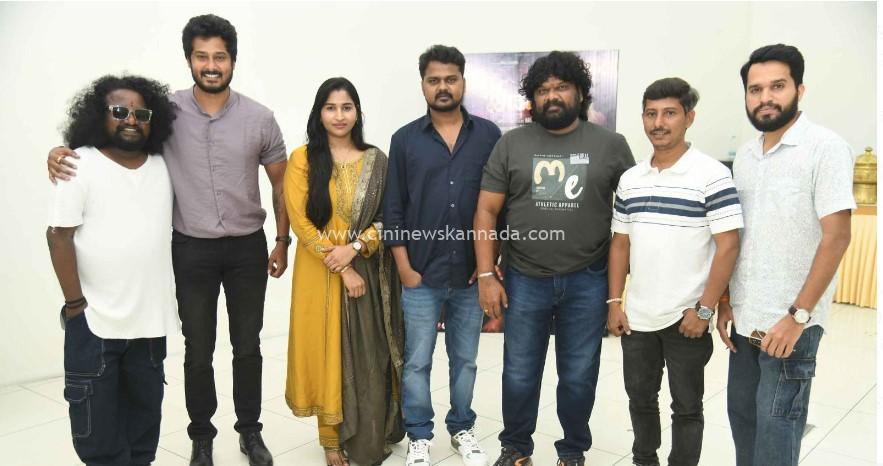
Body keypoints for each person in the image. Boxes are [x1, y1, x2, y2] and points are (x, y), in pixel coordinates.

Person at [47, 14, 288, 466]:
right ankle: (201, 436)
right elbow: (117, 136)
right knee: (198, 350)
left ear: (233, 60)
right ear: (189, 59)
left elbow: (281, 185)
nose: (211, 65)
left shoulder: (260, 118)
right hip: (191, 248)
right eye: (202, 56)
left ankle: (250, 431)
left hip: (246, 248)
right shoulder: (165, 114)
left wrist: (281, 240)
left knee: (247, 345)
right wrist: (62, 151)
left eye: (220, 56)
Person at [474, 51, 635, 466]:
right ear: (533, 98)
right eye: (543, 90)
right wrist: (487, 275)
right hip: (525, 278)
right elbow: (486, 210)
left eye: (561, 87)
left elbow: (632, 215)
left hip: (589, 278)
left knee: (579, 375)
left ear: (580, 92)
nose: (552, 96)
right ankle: (516, 448)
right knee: (519, 372)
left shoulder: (611, 145)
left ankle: (573, 451)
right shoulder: (512, 144)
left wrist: (621, 291)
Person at [719, 44, 854, 466]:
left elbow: (837, 237)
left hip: (791, 325)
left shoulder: (825, 148)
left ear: (800, 89)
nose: (765, 98)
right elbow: (741, 236)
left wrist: (798, 316)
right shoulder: (746, 156)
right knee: (743, 423)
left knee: (776, 437)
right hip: (745, 321)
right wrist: (725, 298)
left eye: (777, 86)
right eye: (755, 89)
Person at [607, 77, 742, 466]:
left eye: (669, 113)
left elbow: (728, 246)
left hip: (687, 318)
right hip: (638, 317)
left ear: (689, 118)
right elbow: (620, 243)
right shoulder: (631, 179)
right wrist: (614, 301)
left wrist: (704, 309)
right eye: (651, 114)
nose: (658, 123)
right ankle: (644, 460)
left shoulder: (712, 175)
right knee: (640, 399)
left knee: (686, 407)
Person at [47, 75, 179, 466]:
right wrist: (75, 306)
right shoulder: (78, 163)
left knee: (143, 429)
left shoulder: (164, 165)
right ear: (98, 116)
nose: (131, 120)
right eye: (119, 111)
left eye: (141, 114)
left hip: (149, 325)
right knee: (99, 434)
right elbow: (58, 236)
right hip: (95, 322)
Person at [384, 44, 501, 466]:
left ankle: (462, 428)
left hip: (470, 275)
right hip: (421, 274)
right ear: (423, 85)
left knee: (465, 360)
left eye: (450, 79)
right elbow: (393, 208)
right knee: (417, 362)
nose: (443, 87)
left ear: (463, 81)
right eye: (434, 80)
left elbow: (501, 206)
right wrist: (404, 268)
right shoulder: (405, 140)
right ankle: (419, 434)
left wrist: (489, 267)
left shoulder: (488, 136)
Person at [284, 77, 405, 466]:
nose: (339, 116)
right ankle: (330, 437)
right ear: (319, 113)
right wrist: (342, 267)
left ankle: (370, 429)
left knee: (371, 353)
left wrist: (354, 249)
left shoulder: (376, 160)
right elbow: (301, 222)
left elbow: (390, 217)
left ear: (358, 113)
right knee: (325, 352)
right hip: (318, 274)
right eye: (331, 107)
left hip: (368, 269)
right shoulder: (303, 159)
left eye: (346, 107)